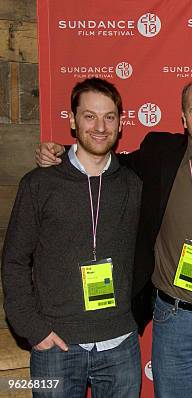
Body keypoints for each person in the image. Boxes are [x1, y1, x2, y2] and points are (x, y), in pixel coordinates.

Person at [35, 77, 192, 398]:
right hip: (172, 320)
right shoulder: (159, 153)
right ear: (183, 118)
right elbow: (106, 160)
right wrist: (63, 151)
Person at [2, 78, 142, 397]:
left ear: (121, 124)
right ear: (72, 120)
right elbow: (14, 261)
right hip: (56, 346)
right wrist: (34, 329)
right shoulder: (39, 184)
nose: (100, 126)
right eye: (89, 115)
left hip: (120, 344)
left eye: (109, 116)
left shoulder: (133, 185)